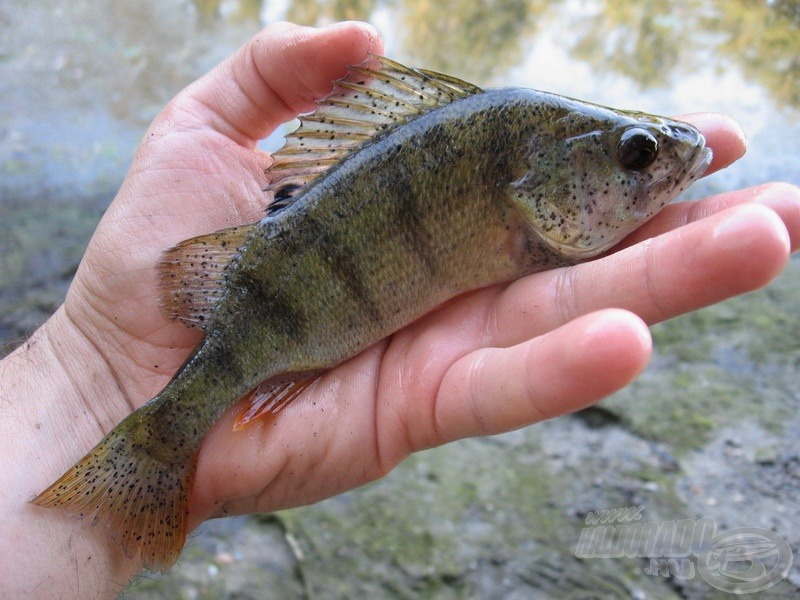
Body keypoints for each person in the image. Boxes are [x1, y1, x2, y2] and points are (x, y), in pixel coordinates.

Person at [1, 20, 798, 599]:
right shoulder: (513, 153)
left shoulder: (524, 152)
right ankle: (144, 457)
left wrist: (80, 379)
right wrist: (90, 372)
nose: (663, 163)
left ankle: (126, 480)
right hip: (277, 321)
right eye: (636, 154)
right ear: (542, 182)